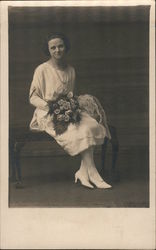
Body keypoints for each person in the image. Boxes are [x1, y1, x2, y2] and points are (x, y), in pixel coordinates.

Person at [29, 32, 112, 189]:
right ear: (48, 50)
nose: (57, 50)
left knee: (92, 125)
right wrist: (51, 107)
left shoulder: (71, 70)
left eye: (60, 46)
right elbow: (33, 97)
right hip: (47, 113)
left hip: (67, 110)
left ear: (65, 47)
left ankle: (82, 171)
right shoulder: (41, 70)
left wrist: (70, 106)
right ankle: (93, 174)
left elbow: (70, 94)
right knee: (79, 130)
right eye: (53, 48)